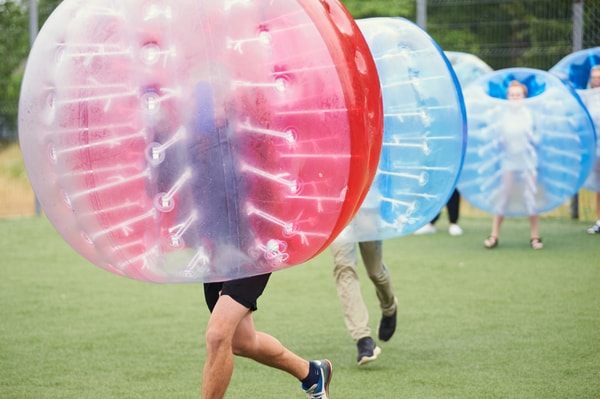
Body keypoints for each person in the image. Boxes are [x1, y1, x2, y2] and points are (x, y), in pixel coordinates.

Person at [202, 276, 332, 399]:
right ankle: (312, 374)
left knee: (217, 336)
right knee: (242, 342)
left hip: (251, 257)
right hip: (216, 260)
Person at [484, 80, 543, 250]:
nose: (514, 98)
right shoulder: (503, 115)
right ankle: (493, 236)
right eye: (511, 95)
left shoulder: (529, 115)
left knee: (530, 196)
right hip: (509, 160)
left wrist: (531, 138)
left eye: (518, 95)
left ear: (524, 97)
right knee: (504, 196)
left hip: (527, 161)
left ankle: (535, 237)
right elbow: (496, 139)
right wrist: (499, 142)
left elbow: (539, 139)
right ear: (507, 97)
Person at [329, 240, 398, 366]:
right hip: (340, 222)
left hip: (367, 221)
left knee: (376, 273)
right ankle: (363, 338)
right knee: (344, 270)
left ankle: (389, 307)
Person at [584, 65, 600, 234]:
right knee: (599, 186)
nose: (596, 81)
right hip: (596, 148)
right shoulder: (588, 97)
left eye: (598, 78)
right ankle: (599, 220)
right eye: (594, 77)